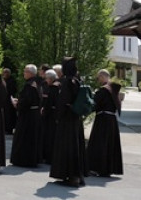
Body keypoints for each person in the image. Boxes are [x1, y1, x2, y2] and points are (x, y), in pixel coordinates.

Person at [50, 57, 89, 187]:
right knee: (76, 147)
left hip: (67, 119)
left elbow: (63, 102)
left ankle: (72, 177)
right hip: (75, 118)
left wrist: (57, 116)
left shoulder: (67, 82)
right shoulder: (78, 80)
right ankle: (78, 176)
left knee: (68, 148)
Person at [86, 69, 123, 177]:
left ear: (102, 77)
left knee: (99, 144)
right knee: (110, 144)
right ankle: (108, 169)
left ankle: (97, 168)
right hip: (112, 120)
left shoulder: (103, 90)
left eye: (98, 78)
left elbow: (94, 104)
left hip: (103, 120)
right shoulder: (113, 89)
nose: (98, 80)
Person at [10, 64, 42, 168]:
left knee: (24, 137)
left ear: (30, 73)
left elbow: (27, 101)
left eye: (25, 71)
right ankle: (32, 159)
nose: (24, 73)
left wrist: (17, 104)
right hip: (34, 114)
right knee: (32, 138)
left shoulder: (29, 85)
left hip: (28, 115)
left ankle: (23, 160)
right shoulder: (37, 83)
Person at [41, 69, 60, 164]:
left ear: (50, 78)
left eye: (47, 79)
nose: (46, 81)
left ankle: (49, 157)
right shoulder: (59, 85)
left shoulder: (53, 87)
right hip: (56, 114)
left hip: (51, 115)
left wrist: (44, 110)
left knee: (49, 137)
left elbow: (49, 102)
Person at [3, 68, 18, 134]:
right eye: (4, 72)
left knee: (10, 115)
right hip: (4, 100)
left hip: (10, 100)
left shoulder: (12, 80)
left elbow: (13, 90)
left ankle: (9, 129)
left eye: (7, 72)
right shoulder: (2, 80)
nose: (5, 74)